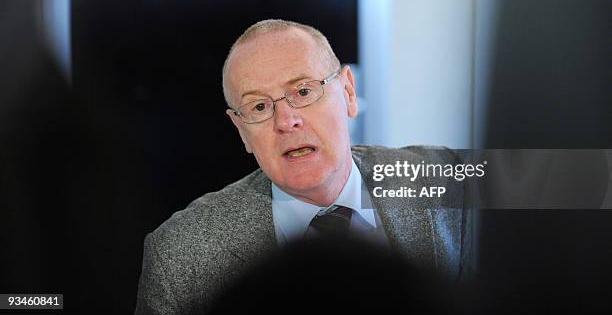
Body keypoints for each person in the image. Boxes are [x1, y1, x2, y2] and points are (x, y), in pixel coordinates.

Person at [135, 20, 473, 315]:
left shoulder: (450, 176)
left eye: (303, 91)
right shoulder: (179, 254)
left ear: (349, 92)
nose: (286, 121)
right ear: (242, 132)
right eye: (258, 106)